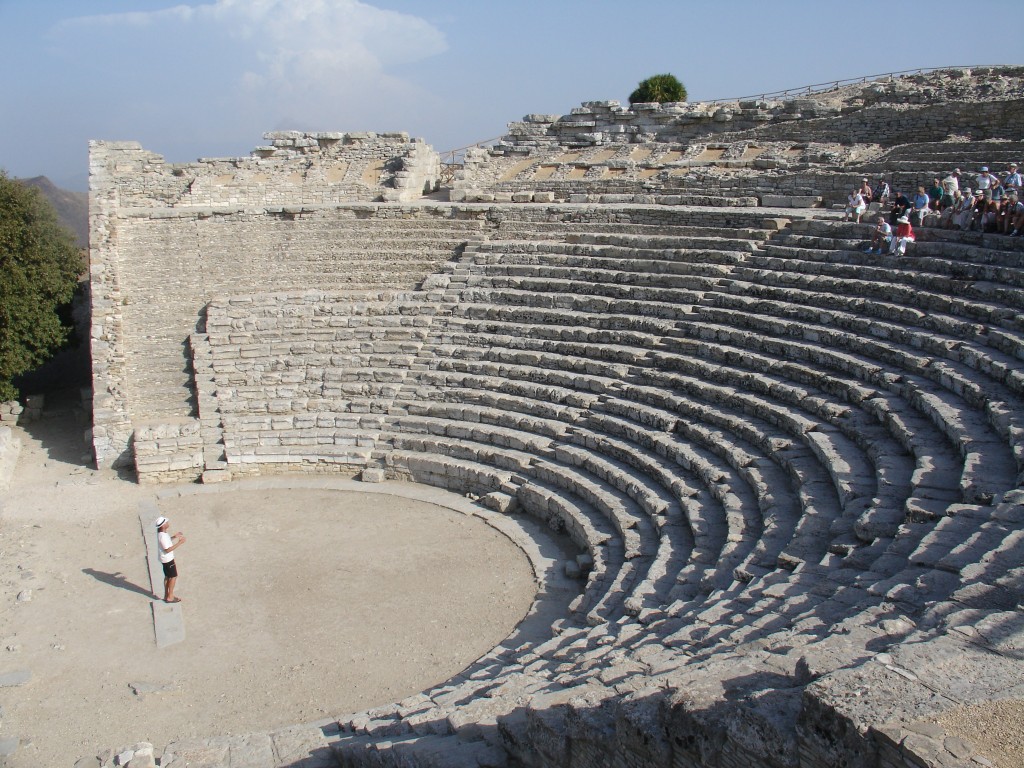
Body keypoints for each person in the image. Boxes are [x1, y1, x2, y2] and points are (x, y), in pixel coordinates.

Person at [156, 516, 186, 603]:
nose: (168, 523)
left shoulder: (162, 534)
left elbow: (166, 541)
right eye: (166, 522)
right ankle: (170, 596)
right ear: (163, 525)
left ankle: (166, 595)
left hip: (164, 559)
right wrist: (180, 543)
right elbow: (168, 549)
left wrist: (174, 537)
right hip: (168, 559)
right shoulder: (163, 536)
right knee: (173, 576)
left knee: (167, 576)